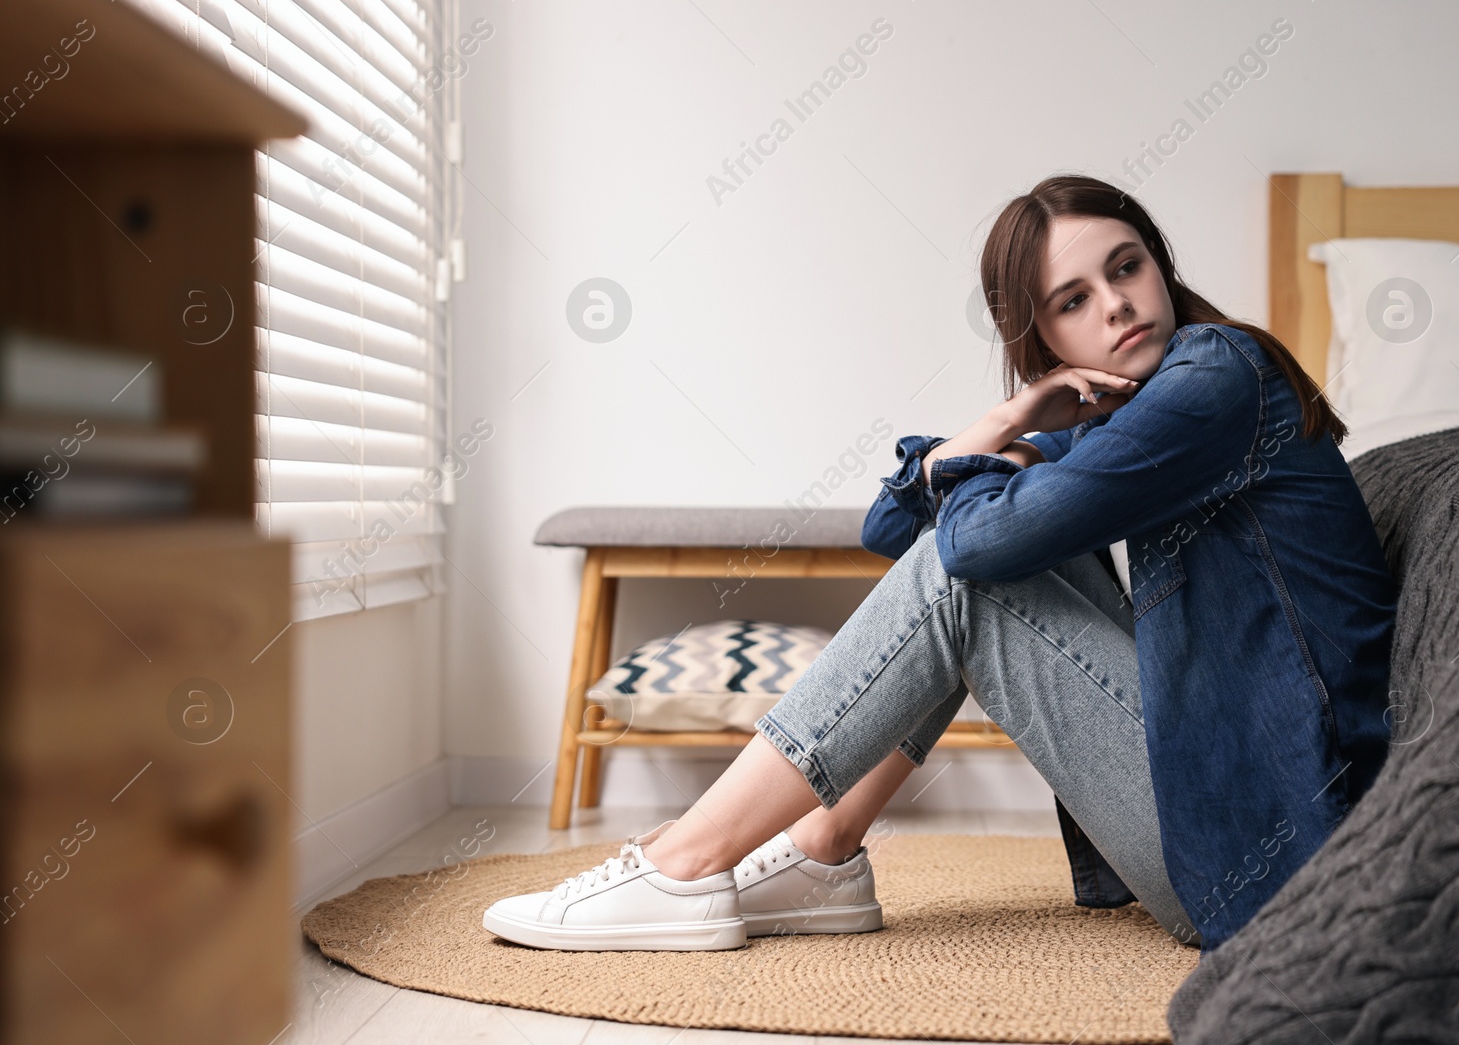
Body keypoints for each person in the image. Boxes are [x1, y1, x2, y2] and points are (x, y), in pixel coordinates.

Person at [482, 174, 1397, 954]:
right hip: (1245, 813)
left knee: (972, 575)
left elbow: (963, 549)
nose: (1115, 304)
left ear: (1161, 264)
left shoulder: (1215, 379)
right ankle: (823, 849)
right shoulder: (1134, 414)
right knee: (971, 555)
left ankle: (686, 862)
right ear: (1045, 340)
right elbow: (899, 523)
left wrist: (1007, 448)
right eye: (1072, 300)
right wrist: (1007, 423)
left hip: (1276, 846)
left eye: (1126, 267)